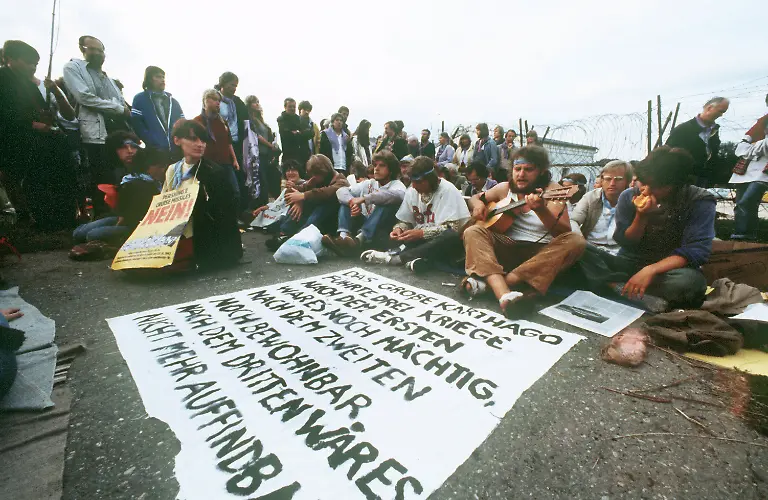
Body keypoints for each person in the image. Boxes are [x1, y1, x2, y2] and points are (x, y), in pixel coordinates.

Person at [576, 146, 716, 311]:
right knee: (579, 249)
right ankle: (619, 288)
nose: (646, 190)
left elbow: (696, 251)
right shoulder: (629, 195)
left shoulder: (698, 200)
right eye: (643, 183)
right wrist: (641, 216)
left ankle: (615, 286)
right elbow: (625, 241)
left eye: (655, 186)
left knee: (691, 284)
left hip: (668, 271)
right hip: (629, 263)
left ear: (674, 185)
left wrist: (651, 270)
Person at [461, 146, 586, 315]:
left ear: (541, 171)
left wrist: (541, 210)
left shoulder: (553, 191)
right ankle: (505, 294)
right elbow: (476, 198)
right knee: (473, 231)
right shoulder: (504, 188)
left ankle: (500, 284)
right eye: (517, 169)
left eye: (528, 169)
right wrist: (477, 204)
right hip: (505, 248)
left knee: (576, 241)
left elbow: (562, 233)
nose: (521, 174)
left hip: (538, 256)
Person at [1, 40, 77, 229]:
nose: (32, 67)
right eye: (28, 62)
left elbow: (43, 110)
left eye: (35, 63)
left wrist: (45, 118)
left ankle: (60, 218)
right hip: (11, 141)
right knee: (19, 179)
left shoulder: (30, 86)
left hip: (38, 142)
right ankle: (30, 218)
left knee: (49, 176)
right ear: (10, 59)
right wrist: (31, 124)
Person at [360, 156, 470, 273]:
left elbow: (452, 228)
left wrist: (421, 233)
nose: (414, 186)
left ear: (430, 179)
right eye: (412, 181)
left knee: (449, 236)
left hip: (443, 243)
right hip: (419, 240)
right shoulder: (412, 190)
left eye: (418, 182)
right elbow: (405, 220)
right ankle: (420, 260)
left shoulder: (448, 190)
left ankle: (398, 258)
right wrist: (399, 229)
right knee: (389, 231)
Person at [163, 119, 242, 269]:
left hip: (203, 236)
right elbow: (164, 204)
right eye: (193, 139)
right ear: (177, 140)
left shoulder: (215, 172)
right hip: (177, 233)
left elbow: (225, 214)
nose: (200, 144)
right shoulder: (172, 170)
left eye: (203, 140)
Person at [63, 36, 129, 213]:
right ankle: (102, 215)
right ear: (82, 49)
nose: (98, 54)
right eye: (92, 49)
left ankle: (123, 213)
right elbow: (84, 97)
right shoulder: (73, 67)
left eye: (101, 50)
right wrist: (117, 108)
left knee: (120, 174)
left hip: (117, 130)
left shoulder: (107, 78)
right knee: (100, 176)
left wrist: (119, 108)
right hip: (95, 132)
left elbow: (120, 100)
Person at [73, 147, 165, 245]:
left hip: (138, 225)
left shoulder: (155, 185)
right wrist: (122, 217)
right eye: (160, 167)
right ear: (149, 166)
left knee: (92, 235)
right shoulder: (131, 180)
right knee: (78, 233)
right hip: (122, 219)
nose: (162, 170)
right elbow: (122, 207)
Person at [323, 150, 406, 255]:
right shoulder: (369, 183)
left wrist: (364, 199)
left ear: (391, 170)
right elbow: (341, 191)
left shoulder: (397, 185)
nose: (376, 168)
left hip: (383, 229)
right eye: (375, 165)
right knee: (346, 202)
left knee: (384, 204)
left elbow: (396, 196)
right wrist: (352, 202)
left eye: (382, 165)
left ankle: (359, 240)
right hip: (365, 222)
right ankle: (343, 238)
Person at [267, 154, 349, 249]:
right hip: (319, 220)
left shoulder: (341, 181)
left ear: (323, 172)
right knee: (302, 202)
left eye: (316, 174)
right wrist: (299, 201)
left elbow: (327, 192)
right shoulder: (316, 180)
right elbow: (290, 192)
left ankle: (300, 236)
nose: (314, 177)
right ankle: (284, 233)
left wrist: (303, 196)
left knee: (324, 204)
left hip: (332, 221)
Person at [570, 160, 631, 255]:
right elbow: (574, 220)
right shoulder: (590, 197)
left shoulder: (633, 199)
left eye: (618, 179)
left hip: (620, 250)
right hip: (590, 248)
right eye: (608, 179)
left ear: (627, 181)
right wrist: (580, 241)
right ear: (602, 180)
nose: (612, 183)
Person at [665, 97, 729, 187]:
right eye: (720, 111)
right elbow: (669, 154)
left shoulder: (714, 131)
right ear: (709, 108)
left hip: (704, 180)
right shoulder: (683, 129)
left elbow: (713, 156)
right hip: (683, 179)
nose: (721, 115)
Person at [193, 89, 240, 198]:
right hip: (209, 164)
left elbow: (229, 143)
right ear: (205, 101)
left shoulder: (222, 122)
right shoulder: (197, 121)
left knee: (235, 192)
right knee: (215, 194)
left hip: (225, 162)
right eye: (214, 99)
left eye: (219, 100)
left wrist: (235, 160)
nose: (218, 103)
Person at [130, 66, 185, 159]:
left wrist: (179, 143)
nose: (162, 80)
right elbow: (137, 124)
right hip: (155, 153)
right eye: (158, 77)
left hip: (176, 152)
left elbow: (183, 125)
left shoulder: (174, 102)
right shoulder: (140, 99)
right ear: (149, 79)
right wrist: (152, 142)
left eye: (163, 77)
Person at [729, 124, 768, 241]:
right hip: (744, 174)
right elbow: (739, 149)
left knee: (747, 202)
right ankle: (741, 235)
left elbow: (764, 147)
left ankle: (745, 235)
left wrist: (750, 147)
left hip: (763, 175)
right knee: (740, 205)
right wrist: (755, 148)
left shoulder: (755, 140)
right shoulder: (756, 131)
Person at [243, 95, 279, 199]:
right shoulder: (251, 120)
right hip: (256, 155)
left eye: (258, 102)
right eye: (255, 102)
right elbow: (256, 136)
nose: (257, 104)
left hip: (265, 154)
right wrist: (270, 145)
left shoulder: (260, 120)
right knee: (261, 182)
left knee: (267, 180)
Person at [277, 98, 313, 176]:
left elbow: (311, 133)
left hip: (303, 156)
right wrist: (300, 133)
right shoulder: (281, 119)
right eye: (290, 106)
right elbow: (286, 135)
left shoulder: (299, 119)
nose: (292, 108)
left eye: (294, 107)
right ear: (285, 107)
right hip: (289, 156)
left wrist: (297, 133)